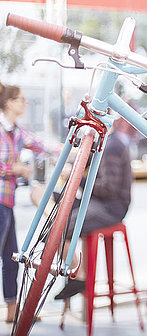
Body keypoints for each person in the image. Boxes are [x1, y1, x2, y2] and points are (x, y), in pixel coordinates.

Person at [30, 116, 135, 300]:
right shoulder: (102, 143)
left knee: (53, 234)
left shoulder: (112, 146)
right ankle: (74, 262)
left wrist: (76, 176)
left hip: (110, 208)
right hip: (95, 202)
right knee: (39, 192)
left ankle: (78, 273)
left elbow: (109, 189)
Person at [0, 83, 45, 323]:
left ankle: (12, 310)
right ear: (9, 103)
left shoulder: (16, 131)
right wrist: (14, 169)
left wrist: (73, 147)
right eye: (22, 99)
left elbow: (41, 145)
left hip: (6, 202)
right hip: (0, 202)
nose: (25, 103)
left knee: (11, 257)